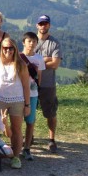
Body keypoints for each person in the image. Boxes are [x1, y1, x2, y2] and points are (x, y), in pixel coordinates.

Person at [0, 37, 30, 169]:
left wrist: (27, 105)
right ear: (1, 49)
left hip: (17, 100)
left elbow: (26, 86)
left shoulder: (21, 64)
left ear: (15, 49)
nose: (8, 50)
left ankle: (15, 157)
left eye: (11, 48)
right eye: (5, 48)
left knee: (16, 129)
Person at [35, 14, 62, 153]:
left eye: (45, 23)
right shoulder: (31, 40)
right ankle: (30, 136)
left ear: (49, 25)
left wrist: (37, 62)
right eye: (41, 23)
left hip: (47, 84)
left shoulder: (55, 43)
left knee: (50, 112)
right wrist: (46, 59)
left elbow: (55, 64)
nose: (43, 26)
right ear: (37, 25)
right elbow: (25, 59)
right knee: (29, 111)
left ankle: (51, 139)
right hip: (31, 83)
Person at [20, 31, 46, 161]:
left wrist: (38, 91)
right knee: (17, 121)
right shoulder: (18, 57)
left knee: (30, 121)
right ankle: (17, 144)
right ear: (23, 43)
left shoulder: (39, 58)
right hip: (18, 94)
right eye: (29, 41)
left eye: (34, 41)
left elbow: (39, 77)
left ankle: (27, 147)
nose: (31, 44)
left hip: (33, 94)